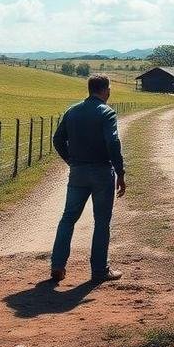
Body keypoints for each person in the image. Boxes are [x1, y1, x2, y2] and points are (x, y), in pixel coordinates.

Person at [50, 74, 126, 282]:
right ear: (105, 90)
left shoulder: (72, 111)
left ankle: (57, 265)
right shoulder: (107, 113)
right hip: (101, 172)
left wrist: (71, 160)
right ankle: (99, 270)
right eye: (109, 89)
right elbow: (113, 143)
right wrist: (120, 172)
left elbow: (57, 139)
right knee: (101, 222)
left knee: (68, 218)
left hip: (78, 172)